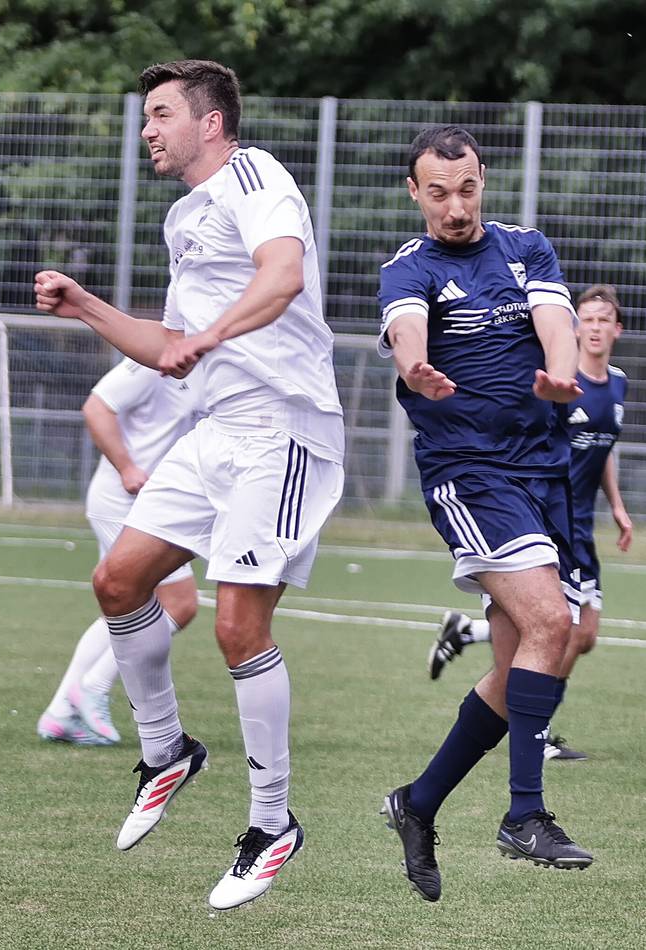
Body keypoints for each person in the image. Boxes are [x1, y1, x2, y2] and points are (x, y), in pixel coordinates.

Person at [35, 59, 345, 910]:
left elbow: (281, 277)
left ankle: (272, 825)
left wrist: (210, 338)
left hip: (283, 430)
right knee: (117, 581)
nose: (148, 129)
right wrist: (86, 305)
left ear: (210, 122)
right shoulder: (183, 217)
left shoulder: (256, 176)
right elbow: (168, 344)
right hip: (213, 435)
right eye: (147, 116)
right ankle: (168, 751)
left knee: (239, 626)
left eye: (162, 113)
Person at [376, 125, 593, 903]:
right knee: (552, 625)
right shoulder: (411, 267)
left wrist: (561, 376)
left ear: (482, 182)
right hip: (470, 473)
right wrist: (415, 367)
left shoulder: (526, 248)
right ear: (415, 193)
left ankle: (418, 803)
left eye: (466, 189)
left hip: (542, 470)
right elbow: (407, 328)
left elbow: (556, 326)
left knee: (518, 666)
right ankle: (524, 815)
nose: (456, 206)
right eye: (438, 192)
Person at [427, 284, 632, 761]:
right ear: (574, 327)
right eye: (587, 319)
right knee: (562, 629)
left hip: (583, 526)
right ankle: (536, 735)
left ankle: (466, 634)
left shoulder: (617, 384)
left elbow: (603, 447)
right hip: (551, 519)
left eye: (603, 319)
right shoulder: (558, 381)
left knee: (582, 634)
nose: (594, 327)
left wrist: (618, 506)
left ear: (617, 330)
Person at [37, 357, 204, 745]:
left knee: (122, 610)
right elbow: (97, 407)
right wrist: (127, 467)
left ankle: (60, 713)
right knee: (179, 602)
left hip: (157, 502)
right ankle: (92, 687)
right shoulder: (158, 355)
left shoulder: (216, 363)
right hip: (123, 500)